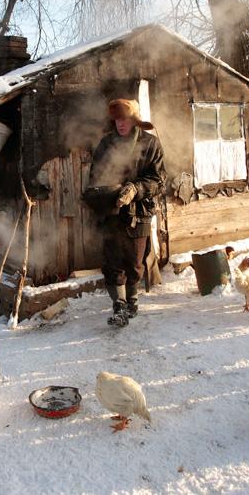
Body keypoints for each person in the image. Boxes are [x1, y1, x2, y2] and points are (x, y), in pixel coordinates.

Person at [87, 98, 165, 327]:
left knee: (134, 262)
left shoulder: (150, 144)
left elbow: (159, 181)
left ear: (134, 120)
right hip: (110, 211)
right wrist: (99, 195)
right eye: (118, 119)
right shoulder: (106, 143)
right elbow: (95, 175)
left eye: (126, 119)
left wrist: (136, 188)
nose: (121, 124)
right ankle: (119, 305)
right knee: (112, 261)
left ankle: (132, 301)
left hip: (138, 212)